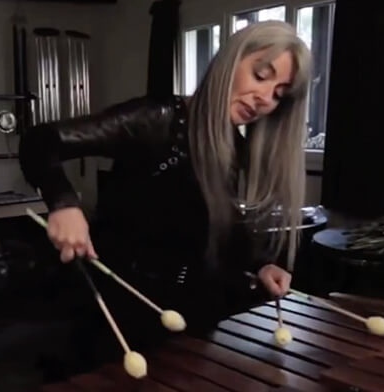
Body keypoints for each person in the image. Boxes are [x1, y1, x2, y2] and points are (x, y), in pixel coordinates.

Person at [20, 21, 312, 371]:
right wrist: (64, 203)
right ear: (229, 62)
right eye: (260, 75)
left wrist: (258, 266)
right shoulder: (157, 119)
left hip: (193, 314)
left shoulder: (236, 146)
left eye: (279, 94)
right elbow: (40, 142)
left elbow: (215, 227)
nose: (265, 99)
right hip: (120, 313)